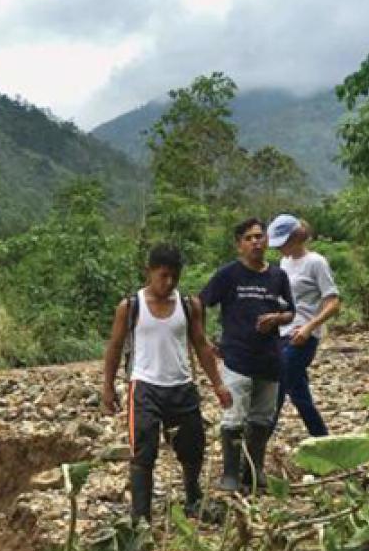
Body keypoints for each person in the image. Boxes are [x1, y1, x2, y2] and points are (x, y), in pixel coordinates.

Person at [102, 244, 231, 522]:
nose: (169, 282)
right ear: (149, 272)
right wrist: (108, 387)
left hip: (182, 385)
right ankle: (140, 516)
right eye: (163, 276)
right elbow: (114, 347)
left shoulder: (189, 305)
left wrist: (218, 384)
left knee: (193, 447)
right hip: (144, 387)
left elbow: (200, 344)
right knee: (143, 452)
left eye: (174, 276)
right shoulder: (130, 306)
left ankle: (193, 498)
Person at [198, 217, 294, 492]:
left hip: (270, 359)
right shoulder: (228, 275)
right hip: (237, 359)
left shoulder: (278, 275)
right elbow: (199, 303)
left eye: (260, 237)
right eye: (250, 238)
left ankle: (254, 471)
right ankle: (230, 474)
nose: (256, 242)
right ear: (239, 245)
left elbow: (290, 312)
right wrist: (204, 340)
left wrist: (277, 318)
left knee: (262, 419)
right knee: (233, 419)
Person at [269, 214, 339, 437]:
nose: (279, 248)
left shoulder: (316, 262)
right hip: (283, 333)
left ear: (296, 238)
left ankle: (255, 448)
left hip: (303, 336)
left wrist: (310, 327)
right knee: (298, 393)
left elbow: (333, 302)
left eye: (283, 243)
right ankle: (324, 441)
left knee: (277, 386)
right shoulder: (284, 263)